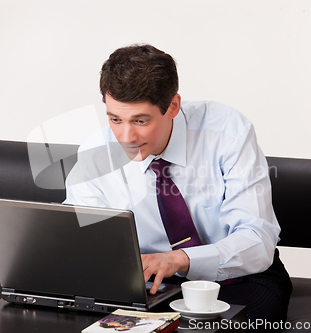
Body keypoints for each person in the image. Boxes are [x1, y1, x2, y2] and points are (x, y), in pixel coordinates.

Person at [64, 44, 292, 329]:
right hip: (150, 283)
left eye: (140, 120)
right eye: (115, 119)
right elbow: (84, 242)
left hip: (238, 277)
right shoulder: (95, 155)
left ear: (172, 106)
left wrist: (181, 259)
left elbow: (256, 240)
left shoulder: (227, 132)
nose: (125, 136)